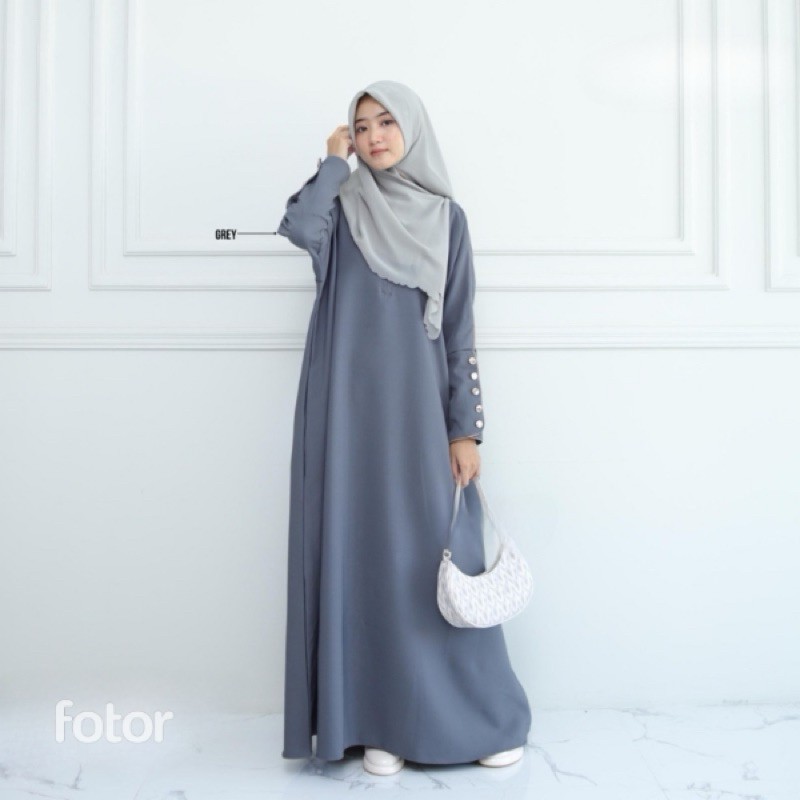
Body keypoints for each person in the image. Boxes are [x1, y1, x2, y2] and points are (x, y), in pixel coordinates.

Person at [276, 80, 531, 775]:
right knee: (365, 557)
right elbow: (298, 229)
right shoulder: (341, 206)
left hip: (420, 419)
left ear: (412, 128)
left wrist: (464, 429)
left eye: (386, 121)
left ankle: (480, 718)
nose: (374, 136)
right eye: (361, 126)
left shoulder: (447, 220)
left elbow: (459, 329)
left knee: (432, 561)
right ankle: (378, 725)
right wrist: (333, 163)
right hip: (346, 418)